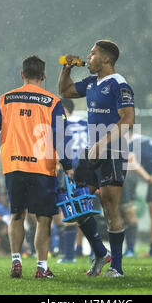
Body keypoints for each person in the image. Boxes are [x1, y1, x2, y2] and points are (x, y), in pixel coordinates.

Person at [0, 55, 73, 279]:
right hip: (42, 167)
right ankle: (41, 267)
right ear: (44, 76)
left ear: (22, 75)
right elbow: (61, 136)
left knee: (17, 214)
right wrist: (67, 164)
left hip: (14, 166)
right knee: (43, 218)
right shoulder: (52, 102)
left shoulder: (6, 99)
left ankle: (16, 261)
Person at [58, 40, 135, 277]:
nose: (88, 58)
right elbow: (65, 91)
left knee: (110, 207)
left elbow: (128, 120)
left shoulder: (119, 85)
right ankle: (101, 252)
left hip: (113, 151)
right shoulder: (92, 82)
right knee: (77, 204)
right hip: (92, 151)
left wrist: (103, 143)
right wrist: (67, 68)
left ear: (106, 59)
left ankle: (117, 268)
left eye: (92, 55)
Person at [53, 98, 88, 264]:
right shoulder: (86, 123)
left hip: (69, 169)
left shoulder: (61, 124)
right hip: (86, 167)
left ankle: (68, 255)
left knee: (69, 211)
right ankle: (91, 252)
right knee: (85, 210)